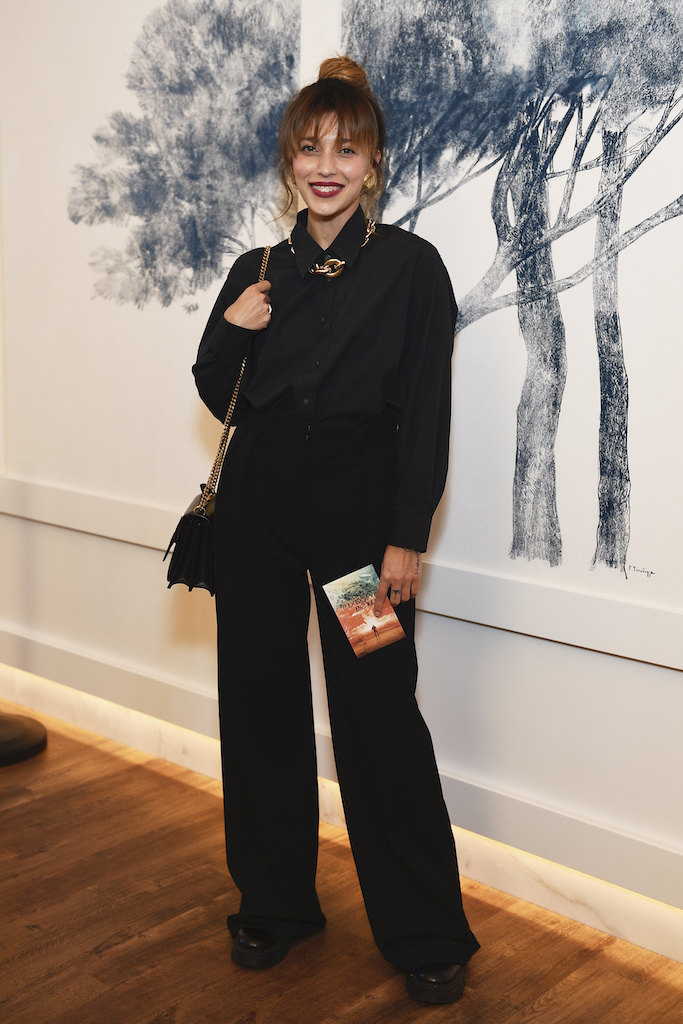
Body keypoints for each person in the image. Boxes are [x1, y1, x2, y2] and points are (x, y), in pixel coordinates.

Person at [192, 56, 479, 1006]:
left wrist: (406, 534)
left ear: (373, 164)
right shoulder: (257, 269)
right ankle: (273, 905)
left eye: (345, 150)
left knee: (377, 708)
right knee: (258, 700)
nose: (325, 166)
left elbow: (426, 411)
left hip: (358, 518)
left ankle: (425, 930)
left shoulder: (409, 267)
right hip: (259, 509)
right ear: (290, 161)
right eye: (310, 148)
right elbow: (218, 390)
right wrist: (233, 329)